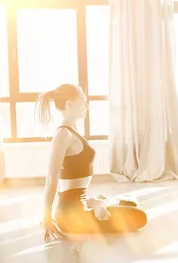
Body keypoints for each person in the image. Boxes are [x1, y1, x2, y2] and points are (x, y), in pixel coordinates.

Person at [36, 84, 147, 242]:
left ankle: (96, 202)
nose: (86, 106)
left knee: (131, 200)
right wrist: (46, 217)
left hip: (81, 204)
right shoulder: (63, 134)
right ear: (69, 104)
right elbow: (51, 179)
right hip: (71, 216)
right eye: (82, 101)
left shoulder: (73, 132)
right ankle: (97, 203)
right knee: (140, 217)